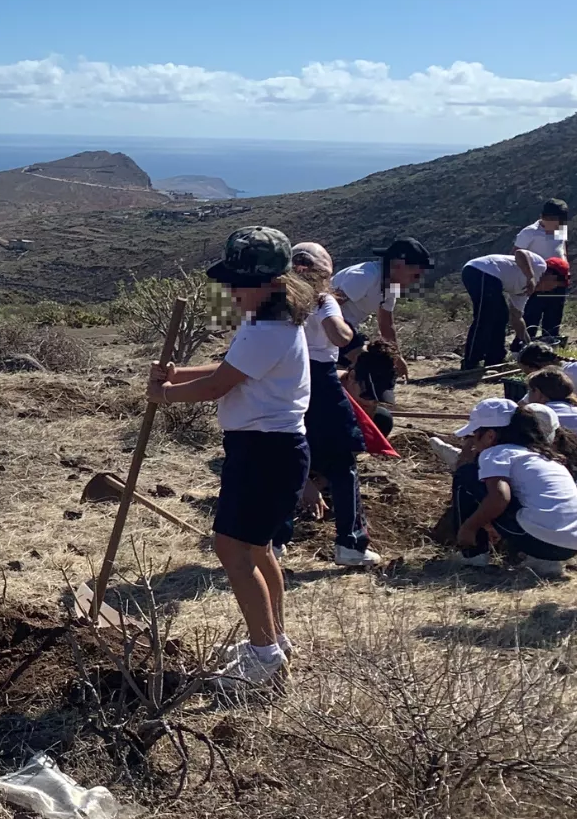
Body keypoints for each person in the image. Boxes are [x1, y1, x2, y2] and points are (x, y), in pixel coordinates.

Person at [148, 227, 313, 691]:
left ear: (272, 282)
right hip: (269, 449)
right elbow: (229, 371)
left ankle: (263, 657)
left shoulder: (269, 330)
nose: (231, 291)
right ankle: (274, 638)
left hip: (265, 451)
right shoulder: (267, 321)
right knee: (257, 548)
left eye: (240, 283)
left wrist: (165, 395)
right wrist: (178, 373)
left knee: (232, 549)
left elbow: (219, 386)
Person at [288, 242, 378, 567]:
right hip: (321, 382)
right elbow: (339, 336)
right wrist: (350, 334)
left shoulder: (278, 300)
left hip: (285, 378)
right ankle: (350, 542)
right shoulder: (324, 300)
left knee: (283, 451)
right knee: (342, 462)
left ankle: (274, 539)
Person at [447, 398, 577, 578]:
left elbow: (500, 498)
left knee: (466, 474)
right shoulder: (542, 455)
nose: (473, 444)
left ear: (490, 435)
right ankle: (542, 561)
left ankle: (472, 555)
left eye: (474, 435)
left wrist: (469, 527)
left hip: (542, 540)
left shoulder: (496, 453)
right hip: (576, 541)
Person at [458, 249, 568, 370]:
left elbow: (517, 318)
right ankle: (470, 362)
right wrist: (530, 277)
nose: (552, 289)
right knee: (486, 316)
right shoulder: (540, 265)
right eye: (555, 285)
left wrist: (528, 343)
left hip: (490, 278)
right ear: (552, 276)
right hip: (480, 270)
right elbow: (520, 253)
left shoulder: (524, 291)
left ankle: (494, 359)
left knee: (502, 316)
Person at [331, 239, 431, 347]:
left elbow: (386, 325)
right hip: (329, 328)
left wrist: (395, 355)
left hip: (344, 330)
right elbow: (327, 303)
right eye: (415, 275)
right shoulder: (365, 276)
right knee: (359, 352)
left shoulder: (390, 286)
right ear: (398, 266)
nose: (416, 280)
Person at [516, 199, 572, 344]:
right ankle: (523, 348)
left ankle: (549, 347)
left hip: (558, 280)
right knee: (531, 317)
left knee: (554, 318)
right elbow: (516, 256)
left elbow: (562, 248)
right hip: (538, 282)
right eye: (554, 222)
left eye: (561, 222)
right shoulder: (529, 233)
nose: (558, 226)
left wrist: (566, 268)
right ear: (544, 217)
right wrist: (529, 279)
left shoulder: (560, 229)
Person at [341, 332, 405, 438]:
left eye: (377, 399)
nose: (371, 403)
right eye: (367, 395)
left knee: (382, 419)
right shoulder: (323, 390)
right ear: (352, 377)